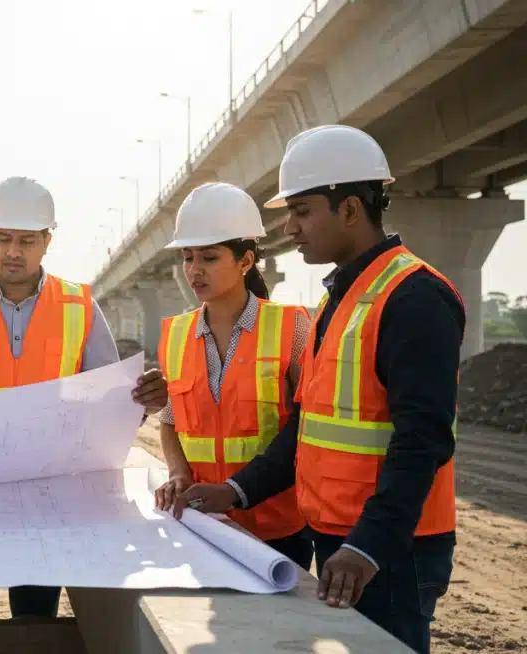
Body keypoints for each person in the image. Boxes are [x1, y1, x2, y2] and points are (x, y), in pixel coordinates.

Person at [171, 125, 462, 654]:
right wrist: (235, 492)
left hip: (391, 549)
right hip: (339, 538)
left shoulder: (415, 297)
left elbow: (423, 441)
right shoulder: (337, 302)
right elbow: (305, 428)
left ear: (350, 210)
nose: (290, 227)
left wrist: (368, 548)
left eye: (302, 211)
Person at [0, 176, 169, 619]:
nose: (14, 251)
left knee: (35, 614)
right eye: (4, 239)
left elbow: (108, 389)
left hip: (49, 493)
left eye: (27, 241)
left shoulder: (79, 307)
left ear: (47, 241)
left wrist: (140, 398)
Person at [150, 182, 313, 571]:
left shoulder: (292, 329)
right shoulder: (174, 335)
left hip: (279, 527)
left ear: (245, 261)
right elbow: (170, 421)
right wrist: (178, 472)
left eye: (208, 258)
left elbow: (307, 426)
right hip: (206, 522)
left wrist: (240, 490)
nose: (194, 270)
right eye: (188, 258)